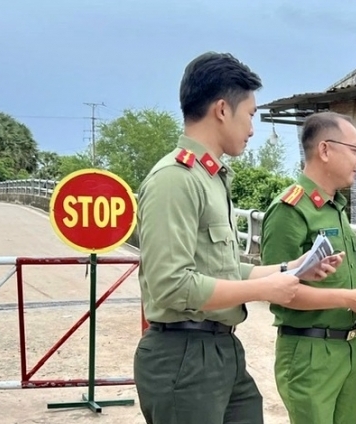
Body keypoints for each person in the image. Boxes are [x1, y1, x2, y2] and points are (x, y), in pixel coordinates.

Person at [134, 52, 341, 424]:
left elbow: (227, 273)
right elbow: (171, 285)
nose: (251, 128)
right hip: (183, 354)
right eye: (250, 114)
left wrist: (293, 269)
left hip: (220, 347)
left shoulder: (211, 179)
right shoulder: (175, 179)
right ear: (221, 110)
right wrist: (265, 291)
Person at [261, 111, 356, 424]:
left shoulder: (335, 207)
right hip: (309, 352)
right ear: (324, 150)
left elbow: (335, 282)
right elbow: (278, 292)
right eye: (355, 150)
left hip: (348, 346)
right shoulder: (291, 210)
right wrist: (349, 299)